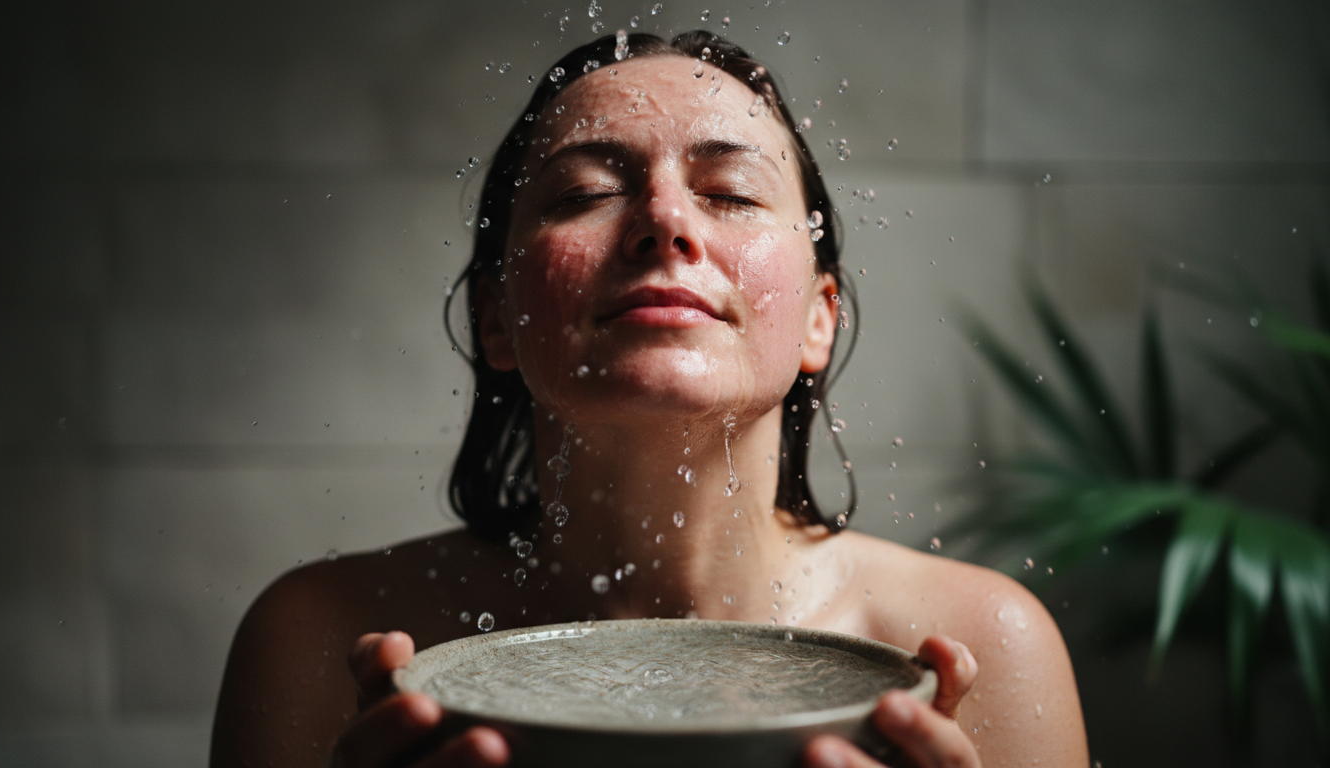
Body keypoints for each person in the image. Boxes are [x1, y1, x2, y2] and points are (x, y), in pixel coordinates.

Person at [210, 31, 1089, 768]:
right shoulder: (320, 640)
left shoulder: (986, 643)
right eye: (588, 191)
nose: (665, 221)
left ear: (820, 318)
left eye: (732, 192)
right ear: (498, 318)